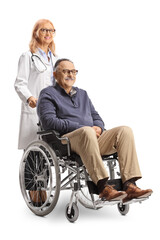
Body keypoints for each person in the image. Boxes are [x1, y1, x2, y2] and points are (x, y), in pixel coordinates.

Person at [37, 58, 153, 202]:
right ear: (55, 74)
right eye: (66, 71)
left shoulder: (82, 94)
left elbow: (96, 116)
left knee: (125, 131)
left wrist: (98, 127)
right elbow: (49, 122)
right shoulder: (47, 94)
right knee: (87, 131)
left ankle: (130, 185)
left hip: (92, 137)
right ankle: (103, 187)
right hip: (66, 142)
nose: (71, 75)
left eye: (73, 71)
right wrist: (83, 128)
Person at [15, 19, 58, 150]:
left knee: (51, 151)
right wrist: (29, 98)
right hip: (34, 108)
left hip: (52, 109)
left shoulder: (56, 59)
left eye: (51, 30)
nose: (48, 33)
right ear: (36, 33)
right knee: (33, 152)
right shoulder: (27, 56)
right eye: (44, 30)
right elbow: (20, 83)